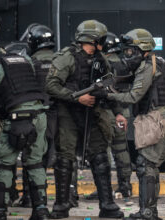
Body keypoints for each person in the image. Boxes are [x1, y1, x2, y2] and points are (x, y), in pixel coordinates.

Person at [45, 20, 124, 219]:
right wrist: (76, 97)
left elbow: (109, 87)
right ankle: (61, 206)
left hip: (92, 113)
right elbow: (51, 86)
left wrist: (118, 112)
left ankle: (107, 205)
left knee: (100, 158)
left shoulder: (100, 59)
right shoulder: (67, 58)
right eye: (100, 39)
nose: (103, 44)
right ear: (91, 39)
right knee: (65, 159)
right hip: (68, 114)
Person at [104, 28, 165, 220]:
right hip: (158, 116)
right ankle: (148, 210)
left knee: (146, 165)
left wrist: (107, 94)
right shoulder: (159, 62)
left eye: (130, 51)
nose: (127, 55)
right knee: (148, 165)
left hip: (156, 117)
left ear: (142, 49)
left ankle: (148, 212)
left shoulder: (147, 66)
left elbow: (134, 95)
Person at [0, 12, 50, 220]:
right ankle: (41, 210)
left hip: (14, 119)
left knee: (5, 164)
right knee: (34, 163)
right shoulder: (21, 58)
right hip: (39, 116)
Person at [85, 31, 133, 201]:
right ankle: (125, 186)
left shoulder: (101, 64)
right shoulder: (123, 64)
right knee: (121, 149)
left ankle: (103, 188)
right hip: (123, 112)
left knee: (102, 150)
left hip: (105, 111)